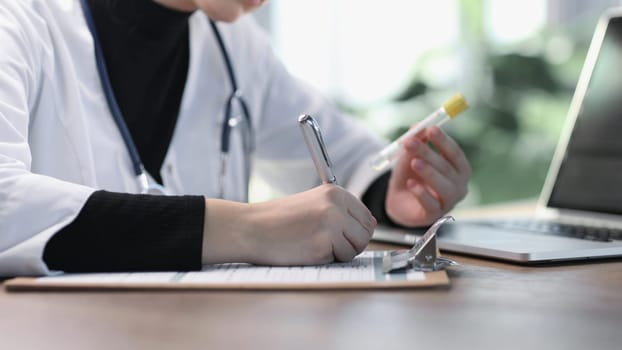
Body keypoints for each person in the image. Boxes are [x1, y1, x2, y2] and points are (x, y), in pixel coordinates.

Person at [0, 0, 471, 276]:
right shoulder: (18, 20)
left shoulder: (235, 45)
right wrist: (245, 228)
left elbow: (352, 157)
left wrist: (391, 195)